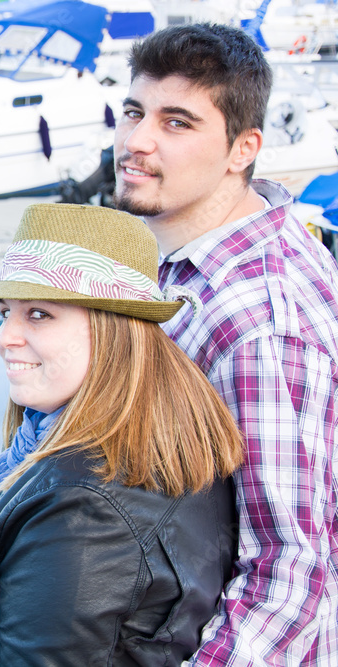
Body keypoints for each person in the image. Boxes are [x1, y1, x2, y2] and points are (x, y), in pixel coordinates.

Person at [0, 202, 245, 666]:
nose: (4, 336)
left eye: (38, 314)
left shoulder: (85, 513)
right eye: (5, 311)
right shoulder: (140, 441)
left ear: (112, 331)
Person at [113, 23, 338, 664]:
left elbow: (290, 570)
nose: (136, 141)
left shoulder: (259, 324)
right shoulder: (209, 254)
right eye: (134, 111)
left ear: (243, 149)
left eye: (177, 123)